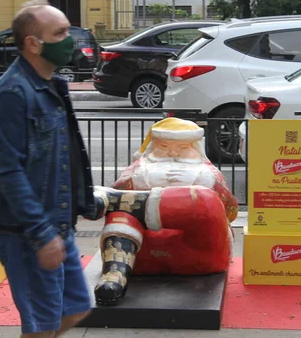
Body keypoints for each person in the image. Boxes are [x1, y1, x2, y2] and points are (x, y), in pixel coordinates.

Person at [0, 0, 106, 337]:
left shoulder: (54, 85)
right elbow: (7, 171)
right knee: (42, 324)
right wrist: (41, 234)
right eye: (61, 33)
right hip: (27, 233)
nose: (71, 40)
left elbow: (64, 155)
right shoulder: (12, 93)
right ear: (33, 44)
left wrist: (81, 204)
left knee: (75, 309)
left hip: (56, 224)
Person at [92, 117, 238, 305]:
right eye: (164, 146)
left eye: (183, 148)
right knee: (121, 213)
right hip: (140, 253)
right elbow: (120, 187)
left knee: (205, 200)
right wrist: (140, 181)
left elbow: (231, 212)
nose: (173, 153)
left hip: (198, 251)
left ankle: (118, 200)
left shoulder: (208, 174)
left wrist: (204, 183)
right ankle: (115, 275)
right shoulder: (138, 171)